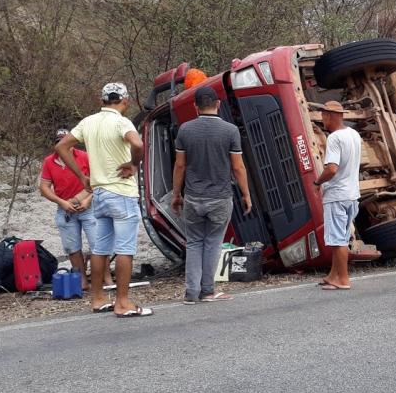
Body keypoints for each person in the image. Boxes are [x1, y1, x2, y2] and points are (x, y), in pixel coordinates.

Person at [56, 82, 151, 317]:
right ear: (125, 101)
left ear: (101, 101)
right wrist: (134, 164)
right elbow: (138, 143)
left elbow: (62, 146)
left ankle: (98, 298)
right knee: (125, 249)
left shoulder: (87, 122)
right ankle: (123, 302)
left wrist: (81, 176)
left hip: (99, 193)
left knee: (100, 248)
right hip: (122, 192)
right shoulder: (121, 122)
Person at [170, 87, 252, 304]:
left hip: (193, 197)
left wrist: (176, 194)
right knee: (213, 243)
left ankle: (190, 293)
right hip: (220, 198)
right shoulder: (230, 131)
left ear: (195, 106)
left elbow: (180, 165)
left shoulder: (185, 130)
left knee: (194, 242)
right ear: (218, 104)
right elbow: (238, 167)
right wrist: (246, 194)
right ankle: (207, 291)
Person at [39, 128, 113, 291]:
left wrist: (88, 199)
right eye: (59, 142)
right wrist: (61, 202)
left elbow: (98, 181)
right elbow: (44, 187)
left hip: (89, 206)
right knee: (72, 247)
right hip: (65, 208)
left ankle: (106, 277)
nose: (63, 146)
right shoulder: (50, 161)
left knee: (98, 244)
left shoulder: (85, 157)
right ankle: (81, 280)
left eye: (66, 142)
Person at [313, 101, 361, 290]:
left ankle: (343, 279)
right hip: (351, 195)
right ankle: (333, 275)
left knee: (338, 240)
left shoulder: (334, 138)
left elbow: (332, 169)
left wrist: (317, 182)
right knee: (340, 238)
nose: (322, 120)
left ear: (328, 115)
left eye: (322, 116)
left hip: (337, 196)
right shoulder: (354, 134)